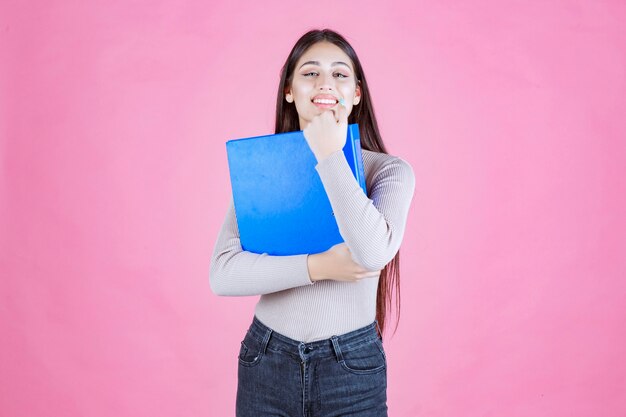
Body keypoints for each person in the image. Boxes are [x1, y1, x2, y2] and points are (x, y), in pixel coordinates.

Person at [210, 28, 415, 417]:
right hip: (266, 360)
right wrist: (320, 267)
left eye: (340, 74)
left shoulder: (388, 172)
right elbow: (222, 274)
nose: (325, 83)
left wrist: (329, 154)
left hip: (351, 369)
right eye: (310, 73)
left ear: (356, 93)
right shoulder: (264, 170)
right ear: (289, 90)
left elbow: (372, 253)